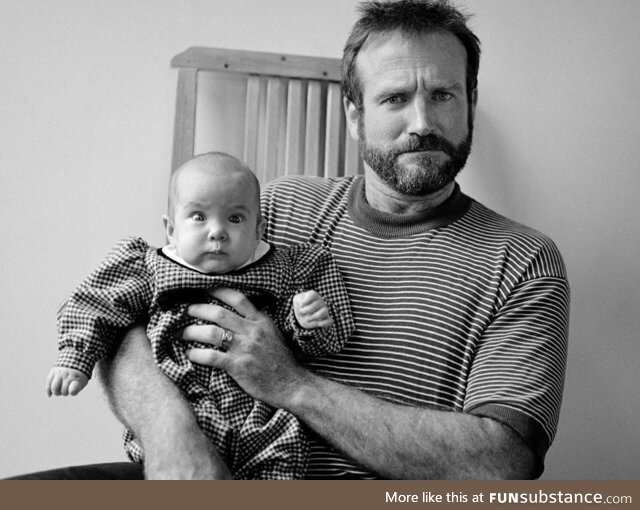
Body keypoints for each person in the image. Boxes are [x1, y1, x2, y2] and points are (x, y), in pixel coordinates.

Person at [10, 0, 569, 480]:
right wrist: (171, 436)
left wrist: (290, 384)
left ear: (470, 104)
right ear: (355, 116)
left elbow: (502, 464)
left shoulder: (523, 260)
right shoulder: (275, 208)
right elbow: (127, 306)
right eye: (394, 98)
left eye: (444, 95)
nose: (421, 121)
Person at [44, 151, 354, 479]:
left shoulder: (283, 269)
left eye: (235, 218)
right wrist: (75, 356)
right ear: (171, 229)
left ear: (259, 229)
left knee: (283, 456)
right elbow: (99, 303)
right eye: (198, 217)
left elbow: (317, 341)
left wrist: (306, 319)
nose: (217, 232)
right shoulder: (152, 268)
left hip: (263, 420)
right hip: (185, 412)